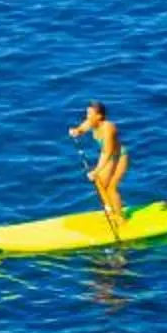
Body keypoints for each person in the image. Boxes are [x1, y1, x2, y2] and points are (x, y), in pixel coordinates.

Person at [70, 101, 129, 237]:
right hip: (108, 157)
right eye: (87, 113)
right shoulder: (93, 122)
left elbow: (106, 153)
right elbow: (84, 126)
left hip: (119, 157)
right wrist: (77, 131)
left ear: (99, 116)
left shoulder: (109, 128)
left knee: (111, 187)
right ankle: (110, 211)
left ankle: (120, 218)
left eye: (90, 114)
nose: (87, 116)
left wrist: (95, 171)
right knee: (100, 183)